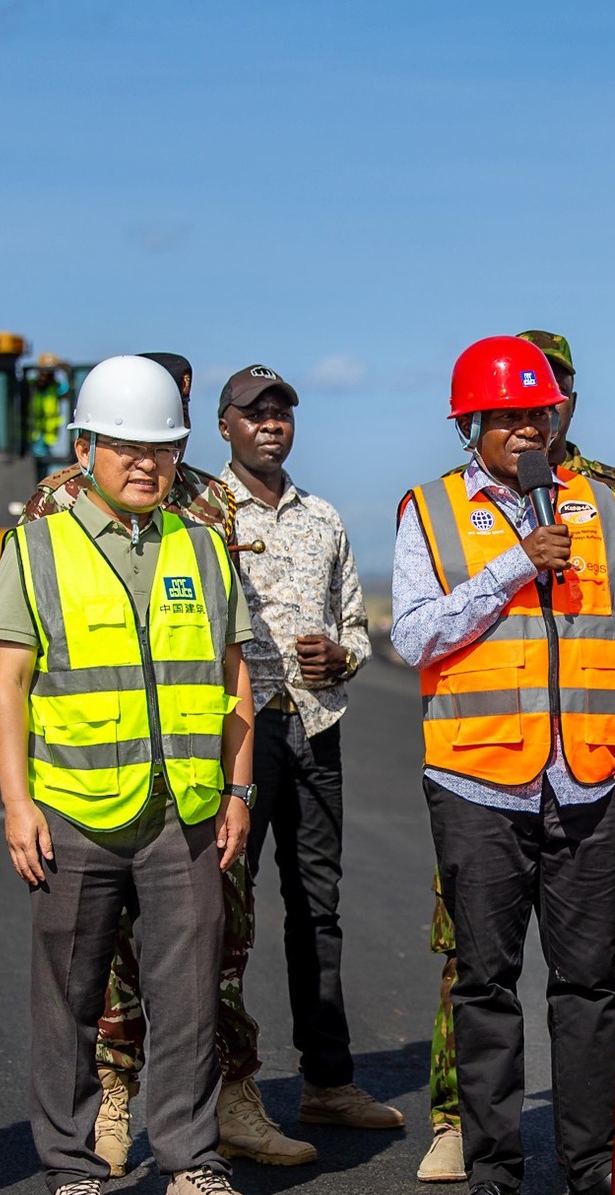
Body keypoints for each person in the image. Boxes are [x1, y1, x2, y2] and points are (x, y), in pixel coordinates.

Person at [392, 335, 615, 1195]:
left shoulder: (601, 507)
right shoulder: (430, 511)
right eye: (508, 417)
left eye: (539, 415)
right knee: (485, 983)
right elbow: (414, 636)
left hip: (589, 777)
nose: (527, 431)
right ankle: (493, 1175)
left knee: (589, 984)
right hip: (479, 780)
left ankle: (595, 1173)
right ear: (471, 425)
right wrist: (516, 563)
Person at [0, 355, 261, 1195]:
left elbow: (233, 676)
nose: (147, 464)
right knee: (67, 999)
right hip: (74, 811)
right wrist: (18, 804)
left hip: (184, 812)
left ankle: (191, 1166)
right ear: (85, 449)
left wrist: (239, 788)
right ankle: (74, 1175)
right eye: (127, 447)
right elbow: (7, 684)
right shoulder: (37, 547)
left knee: (189, 998)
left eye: (162, 449)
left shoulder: (202, 546)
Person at [20, 357, 312, 1173]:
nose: (155, 442)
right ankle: (112, 1099)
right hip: (95, 782)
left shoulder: (209, 508)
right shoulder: (56, 504)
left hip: (194, 770)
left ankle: (225, 1103)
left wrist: (236, 779)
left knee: (215, 953)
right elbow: (27, 654)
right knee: (101, 964)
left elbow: (225, 642)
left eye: (171, 418)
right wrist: (21, 794)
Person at [215, 364, 401, 1131]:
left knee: (317, 910)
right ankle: (222, 1091)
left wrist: (342, 655)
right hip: (237, 735)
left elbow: (357, 624)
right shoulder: (204, 515)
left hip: (316, 729)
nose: (270, 424)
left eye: (281, 413)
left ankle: (327, 1081)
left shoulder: (323, 519)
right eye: (254, 412)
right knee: (224, 911)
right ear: (224, 425)